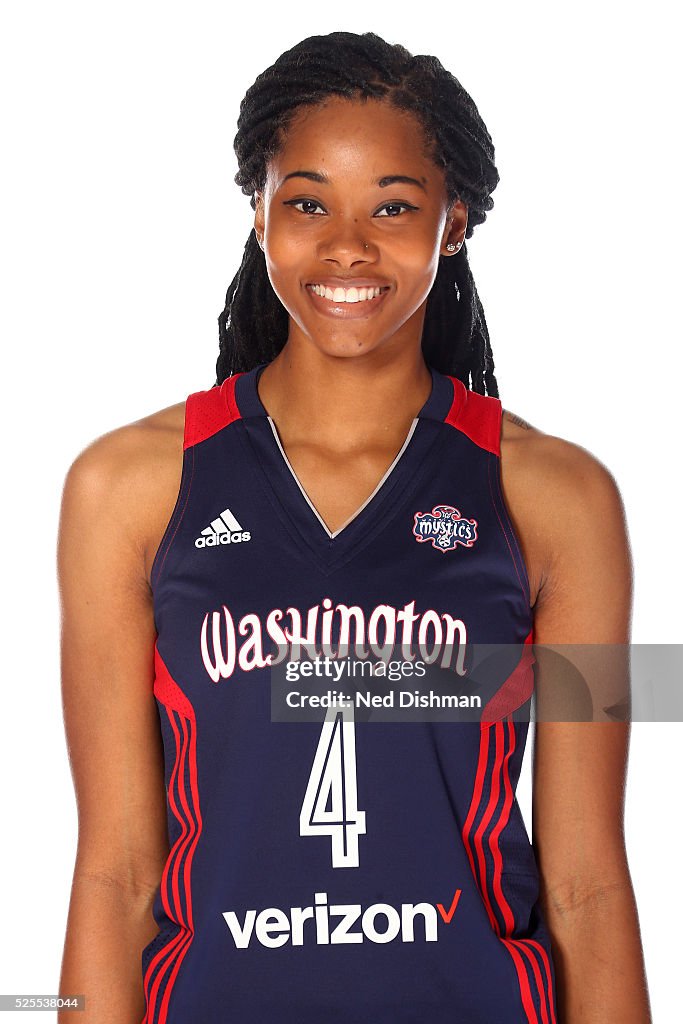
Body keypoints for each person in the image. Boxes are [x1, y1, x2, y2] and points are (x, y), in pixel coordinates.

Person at [57, 31, 651, 1024]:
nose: (346, 245)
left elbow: (586, 885)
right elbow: (115, 873)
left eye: (392, 205)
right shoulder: (126, 487)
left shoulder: (559, 498)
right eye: (305, 203)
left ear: (452, 223)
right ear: (258, 212)